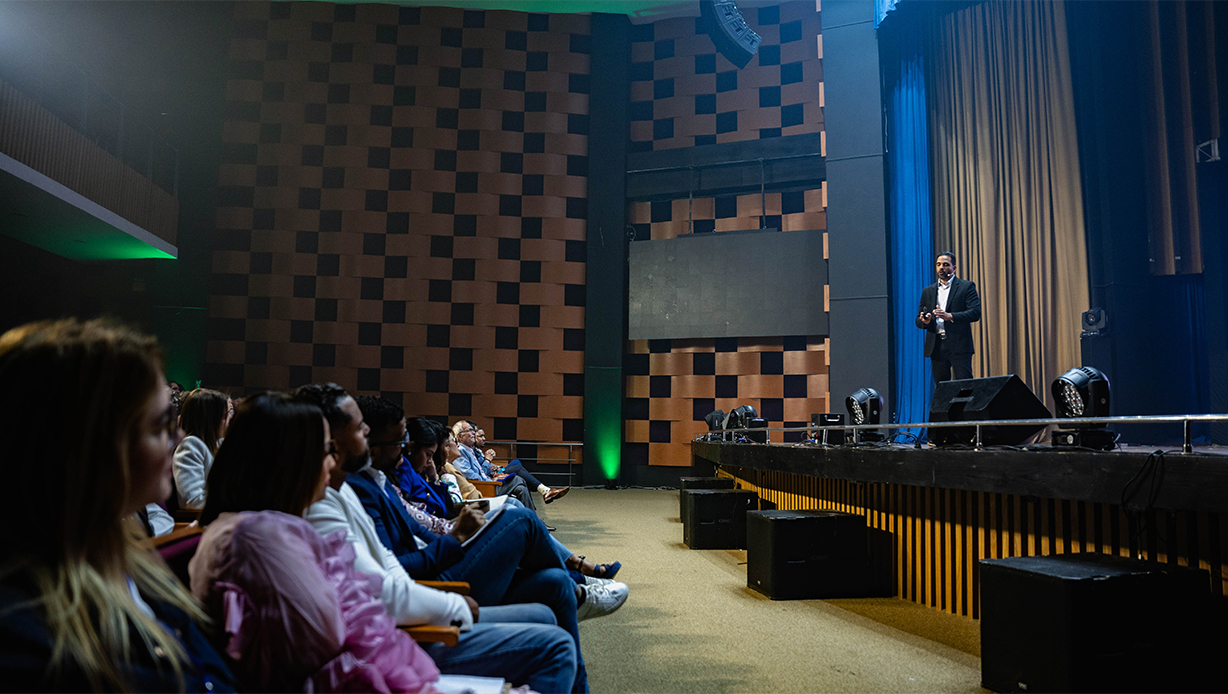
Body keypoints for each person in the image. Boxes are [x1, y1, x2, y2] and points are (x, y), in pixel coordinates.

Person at [193, 392, 576, 693]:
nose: (332, 461)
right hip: (373, 661)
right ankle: (579, 580)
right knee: (551, 631)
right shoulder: (262, 537)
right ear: (290, 461)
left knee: (546, 590)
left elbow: (380, 576)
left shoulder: (303, 513)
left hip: (389, 635)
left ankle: (576, 580)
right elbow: (337, 631)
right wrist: (452, 600)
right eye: (326, 451)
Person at [0, 318, 233, 692]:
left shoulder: (132, 565)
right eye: (160, 426)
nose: (177, 439)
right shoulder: (22, 638)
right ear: (91, 448)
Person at [916, 252, 982, 386]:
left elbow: (975, 313)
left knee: (965, 386)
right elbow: (918, 319)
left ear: (954, 268)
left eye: (946, 264)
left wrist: (950, 316)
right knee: (942, 388)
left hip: (959, 344)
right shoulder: (928, 291)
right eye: (938, 264)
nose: (941, 267)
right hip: (936, 345)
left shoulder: (966, 286)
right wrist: (925, 321)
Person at [474, 424, 569, 505]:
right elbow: (480, 472)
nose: (484, 438)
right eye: (480, 436)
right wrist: (488, 460)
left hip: (493, 473)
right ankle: (544, 490)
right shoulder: (470, 453)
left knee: (516, 462)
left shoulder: (477, 450)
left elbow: (484, 465)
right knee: (518, 468)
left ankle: (539, 488)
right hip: (489, 482)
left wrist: (496, 466)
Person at [173, 388, 232, 509]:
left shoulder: (220, 444)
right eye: (226, 415)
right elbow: (193, 501)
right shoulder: (191, 445)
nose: (230, 420)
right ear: (211, 419)